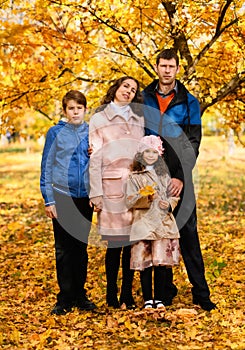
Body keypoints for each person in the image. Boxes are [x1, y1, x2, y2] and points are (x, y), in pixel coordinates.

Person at [142, 48, 216, 311]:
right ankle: (165, 291)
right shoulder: (144, 97)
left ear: (177, 68)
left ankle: (201, 293)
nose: (166, 70)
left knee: (188, 232)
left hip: (179, 176)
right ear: (157, 67)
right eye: (162, 66)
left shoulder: (189, 101)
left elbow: (193, 142)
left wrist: (181, 177)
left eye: (171, 66)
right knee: (158, 233)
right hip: (151, 177)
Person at [89, 76, 144, 309]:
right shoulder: (99, 118)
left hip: (134, 189)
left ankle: (127, 295)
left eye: (133, 90)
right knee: (114, 244)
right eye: (125, 86)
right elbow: (95, 157)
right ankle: (111, 294)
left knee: (131, 244)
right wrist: (96, 193)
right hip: (110, 186)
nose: (128, 91)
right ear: (116, 88)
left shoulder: (138, 119)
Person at [40, 90, 97, 315]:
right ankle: (64, 297)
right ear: (65, 111)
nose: (75, 112)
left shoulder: (92, 132)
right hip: (63, 196)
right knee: (64, 249)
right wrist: (49, 199)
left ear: (85, 110)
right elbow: (47, 166)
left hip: (84, 198)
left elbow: (100, 162)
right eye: (71, 108)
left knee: (80, 248)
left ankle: (80, 294)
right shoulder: (55, 133)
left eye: (79, 108)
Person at [126, 135, 180, 309]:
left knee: (160, 262)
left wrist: (169, 204)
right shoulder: (134, 176)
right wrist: (145, 197)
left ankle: (160, 298)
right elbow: (129, 200)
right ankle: (148, 298)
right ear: (140, 154)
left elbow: (174, 196)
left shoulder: (164, 175)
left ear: (160, 154)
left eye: (154, 151)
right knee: (146, 262)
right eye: (147, 151)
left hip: (162, 223)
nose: (150, 155)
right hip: (143, 224)